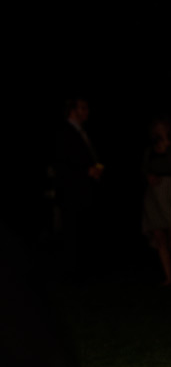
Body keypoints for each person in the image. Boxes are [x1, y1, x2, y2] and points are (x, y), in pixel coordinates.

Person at [53, 96, 103, 265]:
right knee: (72, 234)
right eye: (83, 108)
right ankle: (73, 269)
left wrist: (98, 169)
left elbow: (94, 157)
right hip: (72, 193)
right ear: (73, 110)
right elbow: (62, 164)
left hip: (87, 191)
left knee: (84, 233)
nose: (87, 112)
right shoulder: (64, 133)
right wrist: (85, 172)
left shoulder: (84, 132)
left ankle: (84, 266)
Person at [141, 116, 171, 289]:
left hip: (169, 192)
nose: (160, 129)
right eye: (157, 127)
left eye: (163, 126)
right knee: (160, 236)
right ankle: (168, 277)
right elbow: (144, 168)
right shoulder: (149, 150)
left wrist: (167, 146)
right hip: (153, 194)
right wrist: (149, 176)